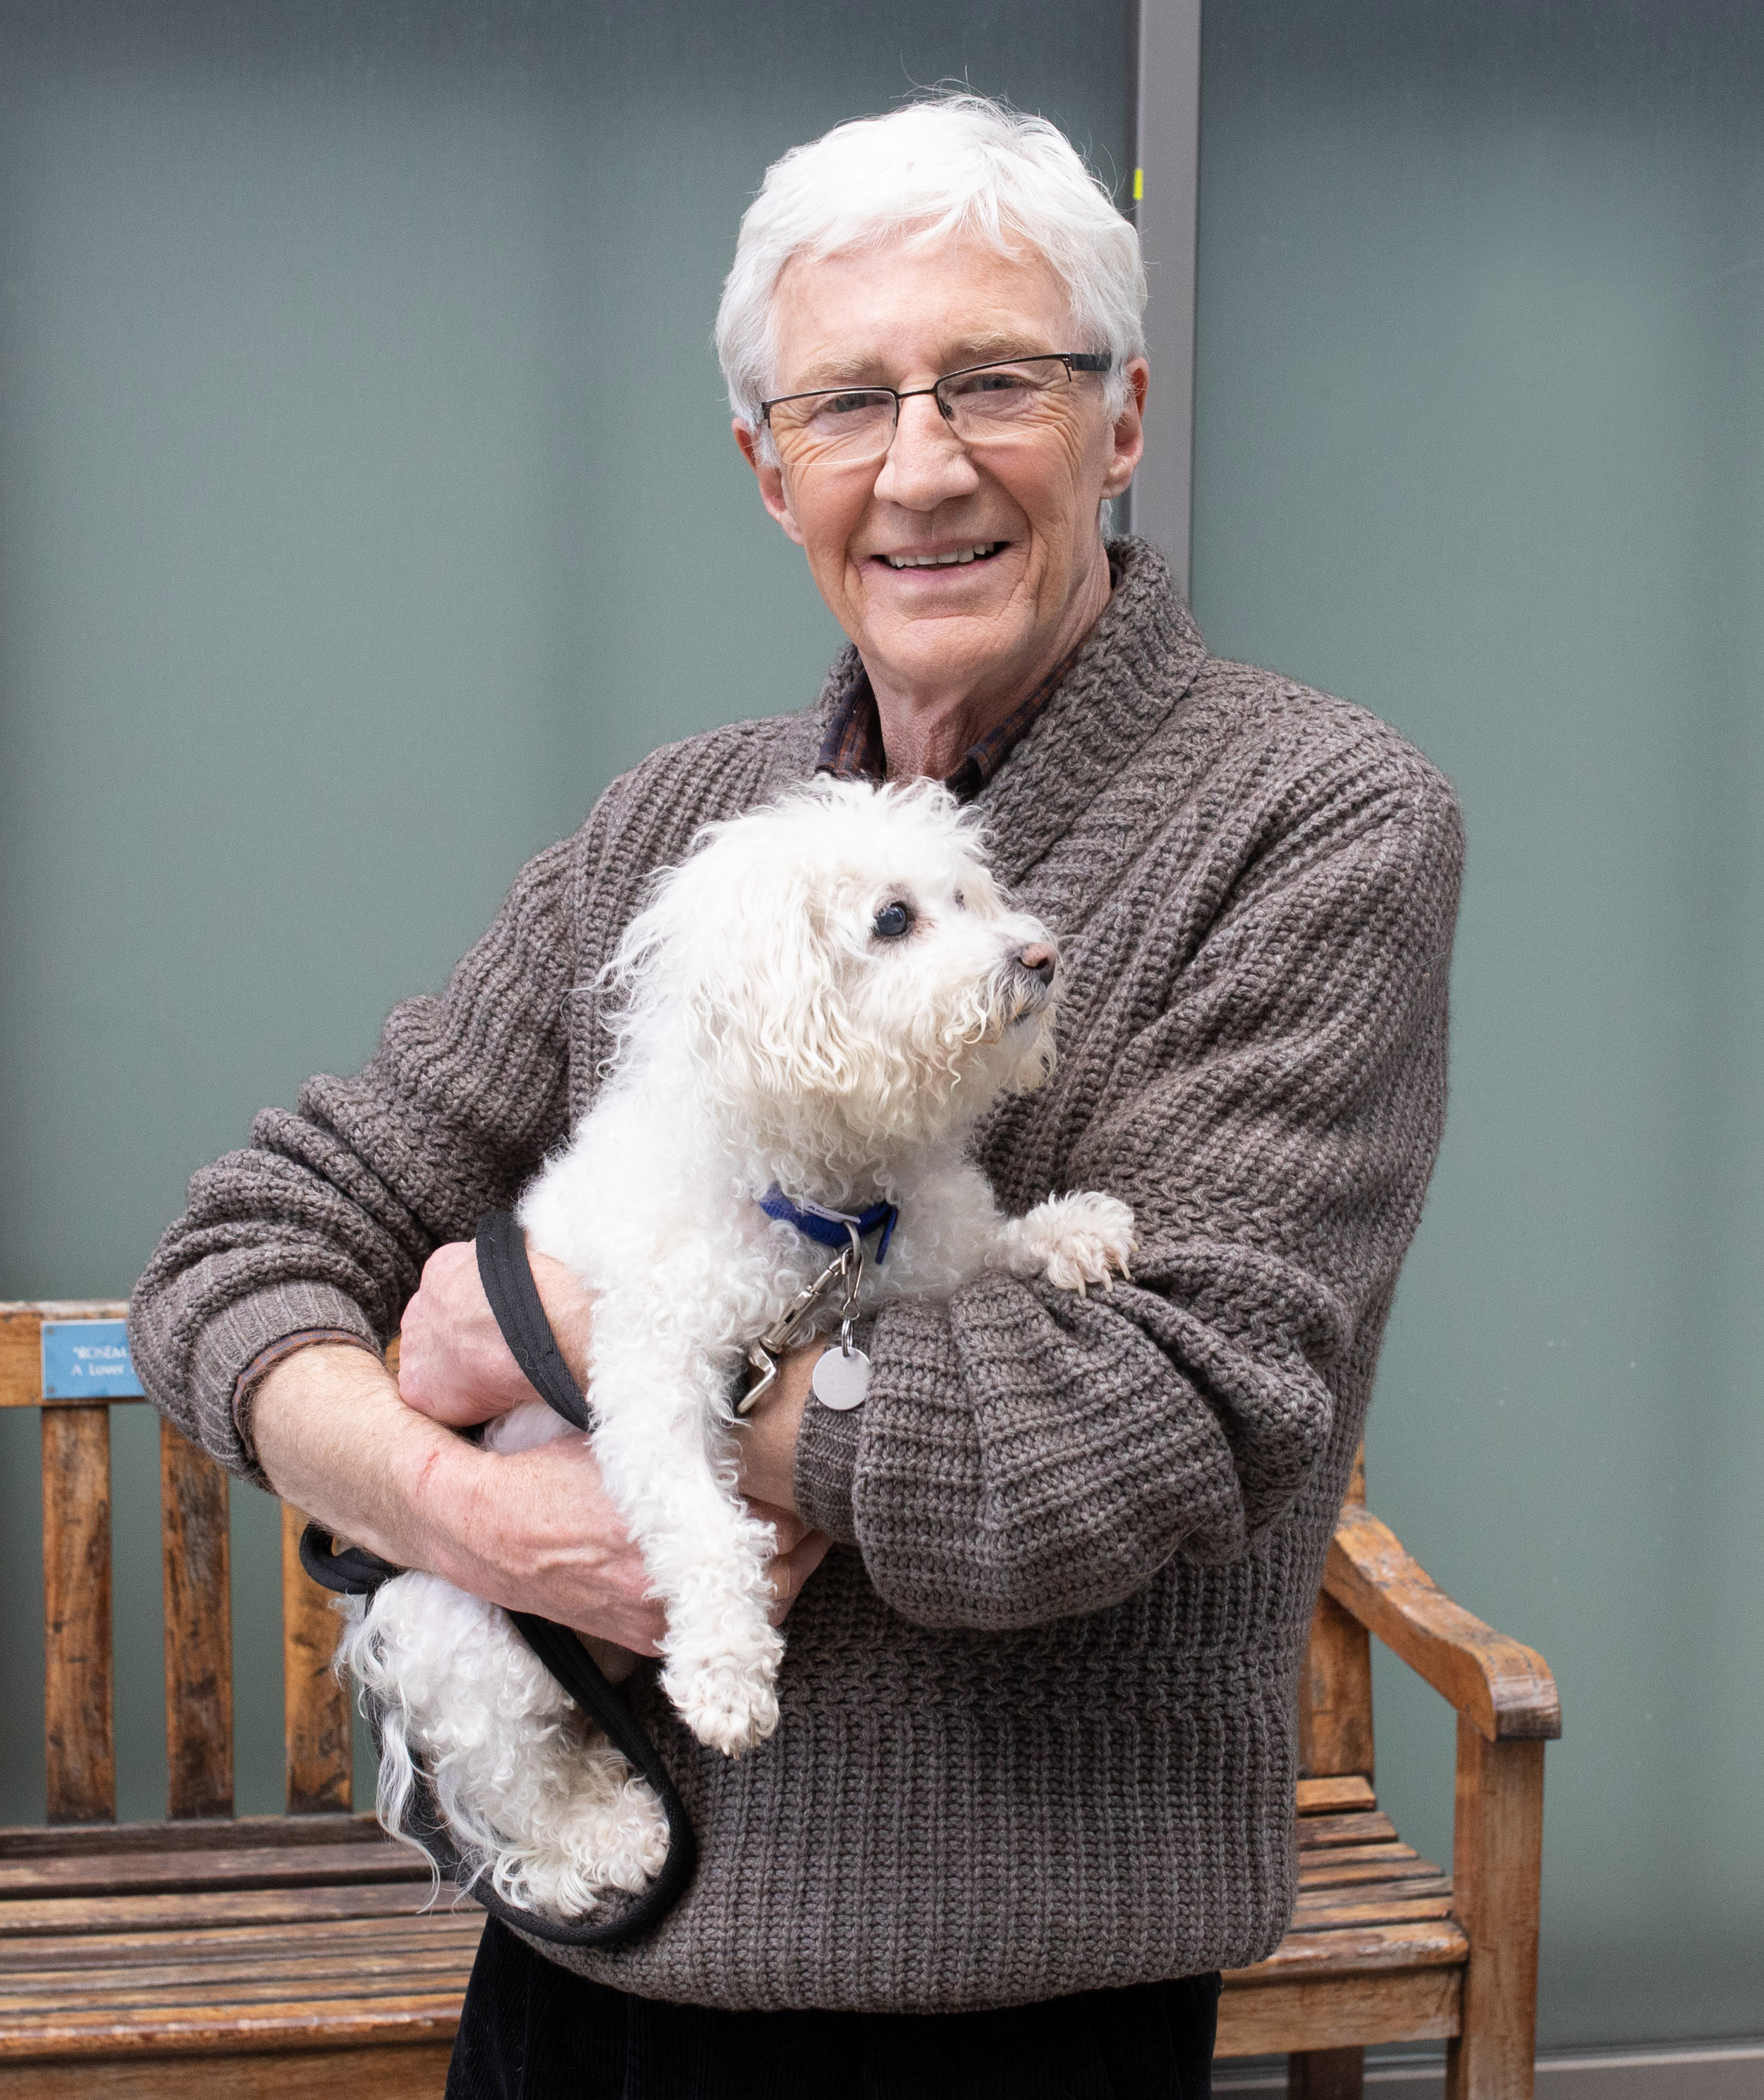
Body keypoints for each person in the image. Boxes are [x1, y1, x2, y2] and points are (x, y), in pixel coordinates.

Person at [129, 92, 1461, 2099]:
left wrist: (574, 1327)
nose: (921, 468)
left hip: (1014, 2010)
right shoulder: (673, 839)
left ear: (1121, 419)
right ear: (768, 472)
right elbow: (236, 1263)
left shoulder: (1319, 825)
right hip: (574, 1975)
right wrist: (480, 1516)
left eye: (994, 381)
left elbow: (1111, 1448)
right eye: (846, 405)